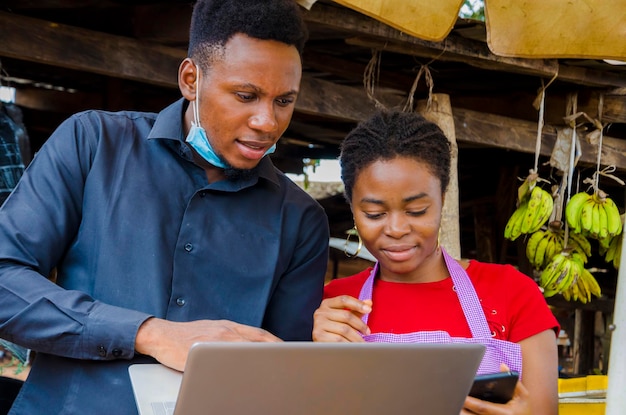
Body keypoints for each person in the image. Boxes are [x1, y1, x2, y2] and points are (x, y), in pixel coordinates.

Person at [0, 0, 330, 413]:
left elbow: (282, 374)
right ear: (191, 79)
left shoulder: (300, 221)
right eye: (246, 95)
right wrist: (150, 333)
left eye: (284, 101)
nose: (267, 121)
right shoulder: (93, 143)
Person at [312, 110, 559, 415]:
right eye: (374, 214)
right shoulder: (333, 307)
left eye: (417, 210)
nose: (397, 229)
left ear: (443, 198)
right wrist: (313, 352)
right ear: (352, 207)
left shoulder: (512, 292)